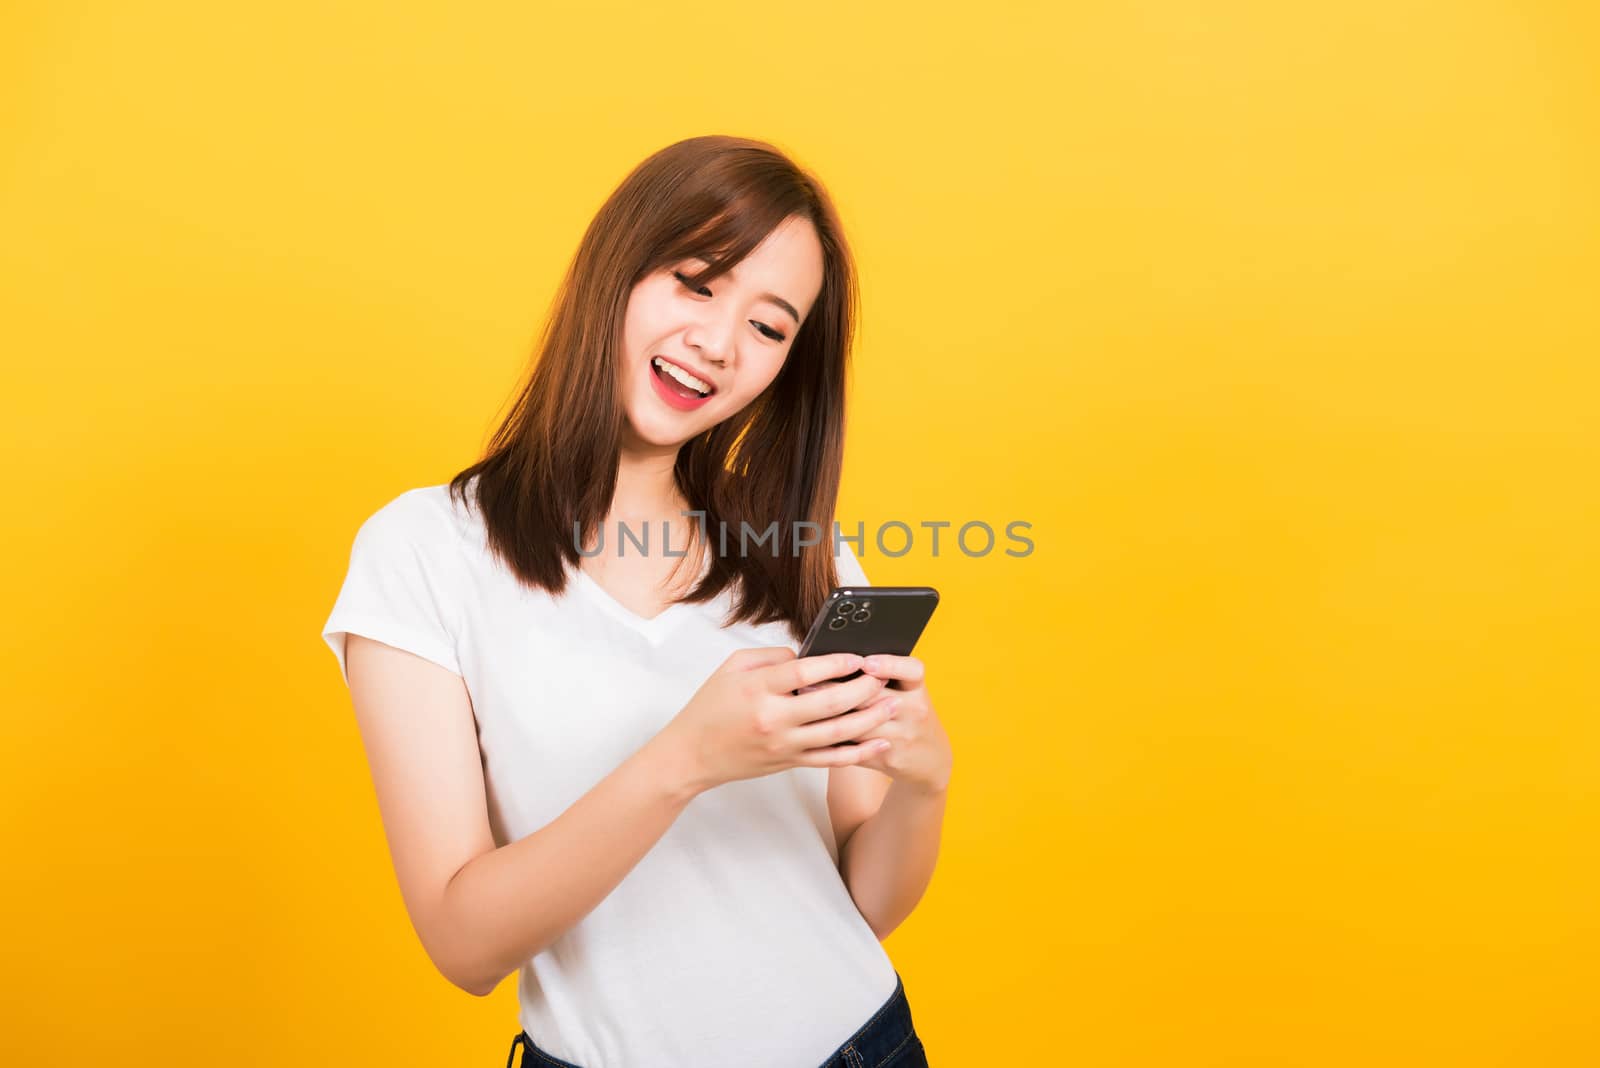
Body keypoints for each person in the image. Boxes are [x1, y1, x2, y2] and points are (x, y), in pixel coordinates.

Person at [321, 134, 952, 1068]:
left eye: (770, 327)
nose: (719, 344)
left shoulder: (797, 556)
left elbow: (863, 904)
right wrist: (685, 760)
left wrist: (924, 780)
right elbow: (462, 946)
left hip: (864, 1048)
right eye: (697, 283)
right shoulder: (423, 552)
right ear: (615, 271)